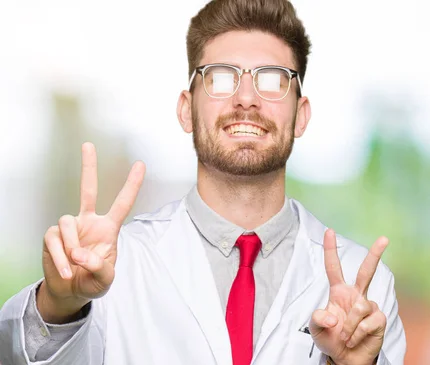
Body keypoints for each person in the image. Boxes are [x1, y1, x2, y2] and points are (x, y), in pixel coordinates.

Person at [0, 0, 406, 364]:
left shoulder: (364, 287)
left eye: (271, 78)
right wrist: (58, 305)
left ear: (300, 115)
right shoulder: (113, 267)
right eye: (221, 76)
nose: (246, 98)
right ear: (185, 110)